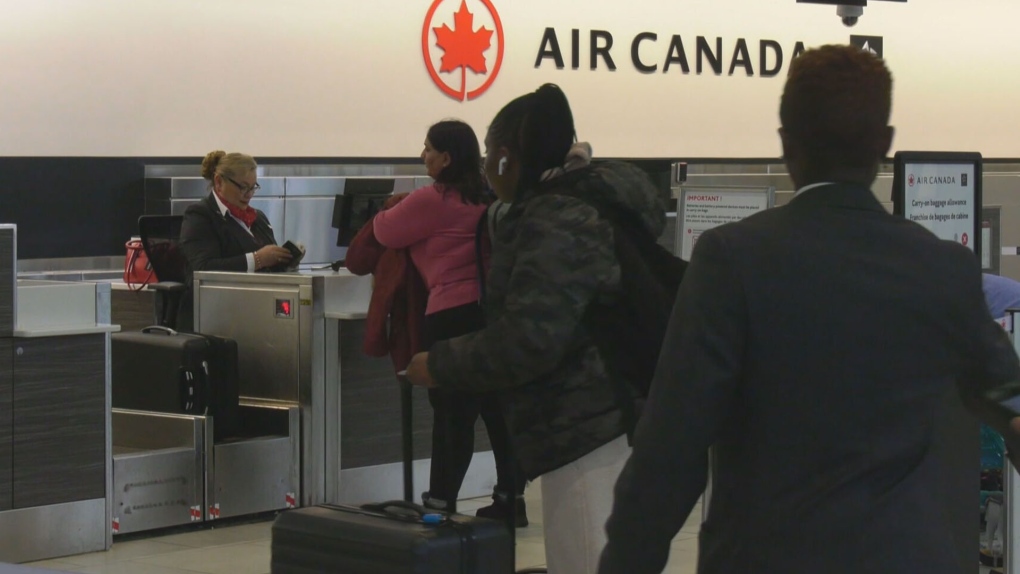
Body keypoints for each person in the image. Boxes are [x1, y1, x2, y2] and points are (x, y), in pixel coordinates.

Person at [598, 45, 1020, 574]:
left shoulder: (732, 260)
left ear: (786, 144)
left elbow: (671, 452)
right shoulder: (943, 267)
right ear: (884, 146)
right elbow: (1010, 397)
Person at [405, 85, 668, 571]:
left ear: (508, 157)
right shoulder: (588, 203)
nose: (486, 166)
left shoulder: (558, 219)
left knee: (587, 558)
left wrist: (441, 363)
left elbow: (530, 337)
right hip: (615, 416)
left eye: (490, 155)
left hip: (588, 427)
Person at [369, 120, 527, 524]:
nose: (422, 156)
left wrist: (393, 207)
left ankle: (440, 502)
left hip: (451, 314)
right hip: (493, 313)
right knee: (498, 409)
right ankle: (511, 499)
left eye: (427, 149)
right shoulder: (489, 195)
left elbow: (384, 231)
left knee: (453, 412)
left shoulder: (432, 199)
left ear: (446, 158)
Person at [178, 151, 292, 330]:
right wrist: (257, 259)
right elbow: (202, 269)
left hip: (257, 309)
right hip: (215, 315)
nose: (248, 194)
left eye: (253, 187)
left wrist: (286, 260)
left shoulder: (258, 218)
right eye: (243, 187)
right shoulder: (200, 215)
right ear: (219, 182)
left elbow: (271, 266)